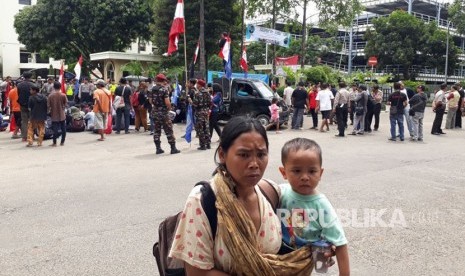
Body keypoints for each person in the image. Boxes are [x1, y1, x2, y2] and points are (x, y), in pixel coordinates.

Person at [169, 116, 313, 275]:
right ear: (222, 155)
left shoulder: (272, 193)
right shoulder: (203, 200)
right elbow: (197, 272)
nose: (254, 164)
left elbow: (300, 233)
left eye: (261, 154)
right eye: (244, 155)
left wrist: (319, 247)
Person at [278, 138, 350, 275]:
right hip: (277, 254)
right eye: (297, 171)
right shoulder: (280, 192)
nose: (305, 177)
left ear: (320, 173)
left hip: (303, 261)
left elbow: (340, 242)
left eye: (312, 171)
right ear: (283, 172)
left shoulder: (321, 205)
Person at [150, 73, 180, 154]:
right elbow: (167, 102)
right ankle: (173, 148)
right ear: (163, 81)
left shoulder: (152, 89)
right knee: (169, 130)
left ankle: (158, 148)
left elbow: (150, 101)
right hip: (163, 113)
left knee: (157, 130)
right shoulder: (164, 89)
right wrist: (170, 109)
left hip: (155, 111)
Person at [192, 79, 211, 150]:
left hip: (199, 112)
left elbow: (195, 105)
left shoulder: (197, 94)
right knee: (206, 128)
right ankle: (208, 144)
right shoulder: (208, 93)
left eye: (197, 84)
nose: (196, 85)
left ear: (199, 85)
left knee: (200, 129)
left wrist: (190, 101)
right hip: (206, 112)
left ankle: (203, 145)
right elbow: (210, 103)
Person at [47, 81, 68, 146]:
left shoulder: (50, 95)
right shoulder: (63, 95)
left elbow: (48, 105)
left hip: (54, 114)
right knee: (63, 128)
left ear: (53, 87)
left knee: (55, 129)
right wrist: (63, 108)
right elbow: (66, 104)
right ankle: (62, 142)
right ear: (60, 87)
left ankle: (54, 142)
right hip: (62, 114)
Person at [17, 71, 35, 141]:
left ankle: (24, 137)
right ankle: (31, 136)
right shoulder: (33, 85)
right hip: (32, 105)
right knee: (32, 120)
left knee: (24, 121)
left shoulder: (19, 85)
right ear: (30, 76)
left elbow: (19, 94)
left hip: (22, 105)